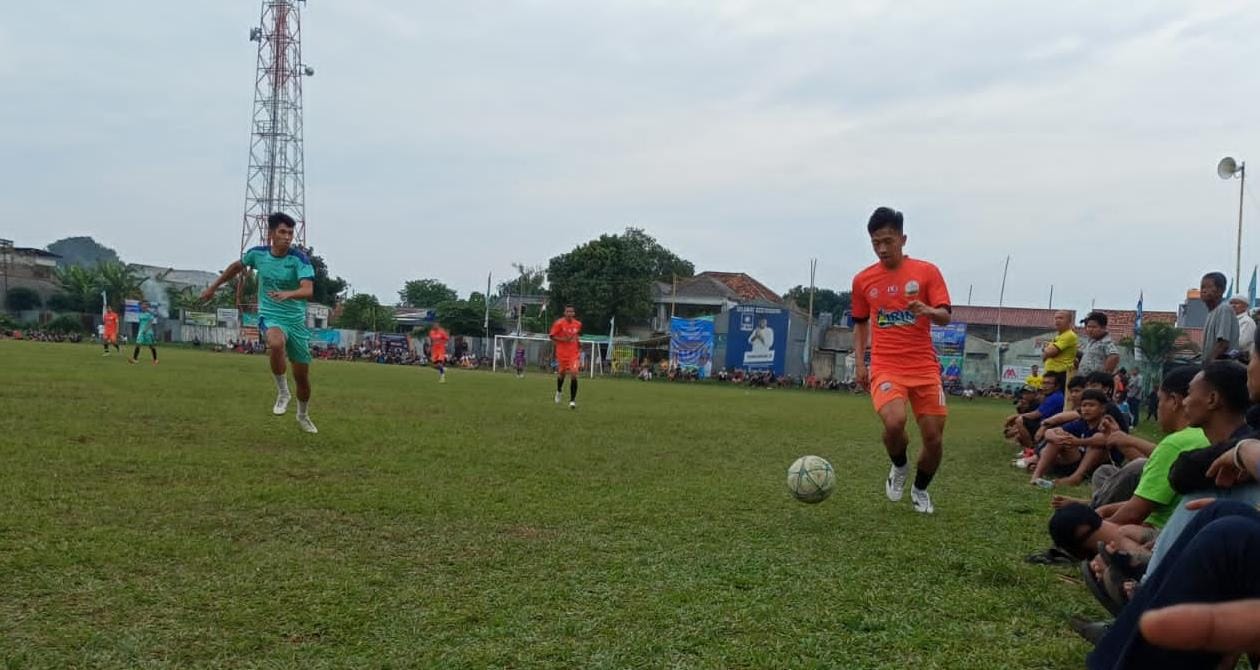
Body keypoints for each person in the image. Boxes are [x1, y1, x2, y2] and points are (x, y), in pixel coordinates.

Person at [850, 206, 952, 514]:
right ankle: (900, 466)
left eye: (888, 241)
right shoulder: (863, 280)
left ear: (903, 239)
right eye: (876, 242)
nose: (882, 248)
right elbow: (860, 322)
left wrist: (928, 311)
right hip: (886, 365)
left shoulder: (926, 272)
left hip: (923, 367)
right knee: (894, 423)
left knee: (933, 440)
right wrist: (860, 362)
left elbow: (946, 316)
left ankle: (920, 490)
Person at [200, 212, 318, 434]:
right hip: (271, 315)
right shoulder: (258, 254)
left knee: (302, 377)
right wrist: (213, 287)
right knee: (275, 344)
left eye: (291, 233)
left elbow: (308, 290)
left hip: (295, 321)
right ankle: (283, 392)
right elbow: (236, 267)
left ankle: (303, 415)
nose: (287, 237)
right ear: (271, 234)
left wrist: (288, 294)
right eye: (282, 232)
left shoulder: (299, 259)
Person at [1198, 272, 1238, 364]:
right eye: (1202, 287)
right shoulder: (1211, 313)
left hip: (1222, 367)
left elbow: (1223, 344)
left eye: (1208, 287)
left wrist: (1206, 367)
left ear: (1220, 290)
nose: (1203, 291)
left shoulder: (1224, 309)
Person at [550, 305, 582, 409]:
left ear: (574, 313)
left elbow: (575, 335)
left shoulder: (577, 324)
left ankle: (572, 401)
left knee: (573, 373)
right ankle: (559, 391)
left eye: (571, 312)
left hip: (574, 354)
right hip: (562, 354)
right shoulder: (559, 323)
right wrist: (563, 340)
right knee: (562, 374)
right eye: (567, 311)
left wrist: (579, 343)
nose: (569, 313)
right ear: (564, 313)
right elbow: (552, 336)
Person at [1078, 311, 1121, 376]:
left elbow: (1114, 356)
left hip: (1094, 382)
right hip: (1084, 381)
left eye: (1094, 327)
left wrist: (1103, 377)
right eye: (1089, 327)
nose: (1090, 329)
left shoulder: (1106, 342)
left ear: (1103, 328)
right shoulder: (1091, 341)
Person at [1043, 310, 1079, 377]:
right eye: (1056, 318)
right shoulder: (1058, 336)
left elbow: (1049, 352)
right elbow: (1044, 357)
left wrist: (1046, 348)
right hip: (1051, 373)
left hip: (1061, 374)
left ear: (1069, 321)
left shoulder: (1069, 335)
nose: (1057, 320)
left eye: (1060, 318)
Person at [128, 300, 159, 365]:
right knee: (138, 344)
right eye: (142, 305)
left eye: (145, 305)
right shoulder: (140, 314)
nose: (143, 306)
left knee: (151, 346)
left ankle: (155, 359)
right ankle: (135, 359)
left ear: (147, 306)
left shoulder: (149, 314)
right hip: (141, 331)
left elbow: (150, 323)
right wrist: (141, 330)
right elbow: (141, 323)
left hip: (148, 332)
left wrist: (146, 329)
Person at [1228, 294, 1255, 360]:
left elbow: (1241, 343)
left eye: (1236, 303)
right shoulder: (1231, 320)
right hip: (1231, 357)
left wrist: (1223, 343)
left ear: (1245, 307)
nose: (1233, 306)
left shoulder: (1247, 321)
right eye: (1231, 303)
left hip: (1243, 360)